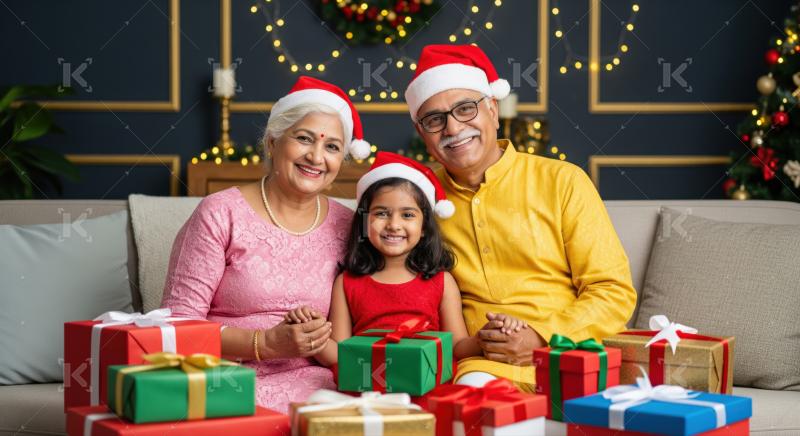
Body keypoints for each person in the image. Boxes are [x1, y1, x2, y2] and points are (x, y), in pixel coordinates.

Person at [403, 44, 637, 391]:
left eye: (465, 109)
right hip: (482, 368)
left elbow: (613, 292)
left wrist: (542, 337)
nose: (453, 128)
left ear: (493, 111)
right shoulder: (417, 202)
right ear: (423, 133)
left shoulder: (562, 181)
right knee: (477, 397)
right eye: (435, 119)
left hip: (572, 358)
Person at [160, 76, 372, 412]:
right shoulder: (220, 213)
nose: (316, 156)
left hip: (320, 388)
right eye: (304, 138)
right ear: (273, 142)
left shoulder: (349, 225)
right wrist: (266, 344)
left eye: (332, 147)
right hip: (227, 381)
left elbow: (365, 323)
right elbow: (176, 329)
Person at [284, 152, 528, 367]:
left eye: (408, 215)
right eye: (382, 213)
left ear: (424, 227)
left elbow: (456, 347)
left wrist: (486, 337)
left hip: (428, 387)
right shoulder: (347, 283)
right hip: (367, 387)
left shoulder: (441, 281)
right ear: (364, 221)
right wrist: (312, 333)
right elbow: (340, 354)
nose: (394, 225)